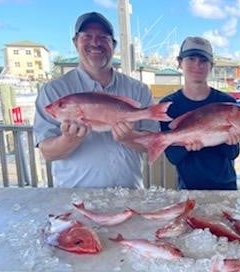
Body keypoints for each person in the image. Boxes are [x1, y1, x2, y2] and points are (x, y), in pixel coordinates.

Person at [34, 12, 158, 188]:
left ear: (113, 45)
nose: (95, 42)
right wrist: (68, 140)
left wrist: (130, 137)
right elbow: (47, 152)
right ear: (75, 42)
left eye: (103, 37)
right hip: (76, 199)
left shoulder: (139, 89)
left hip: (129, 196)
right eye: (87, 36)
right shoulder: (53, 91)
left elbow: (152, 144)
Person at [159, 36, 240, 190]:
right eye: (191, 58)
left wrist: (231, 140)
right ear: (179, 62)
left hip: (226, 188)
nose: (197, 65)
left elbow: (233, 154)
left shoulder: (227, 102)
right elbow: (173, 157)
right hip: (188, 190)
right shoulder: (168, 105)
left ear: (211, 66)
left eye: (203, 60)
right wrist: (186, 144)